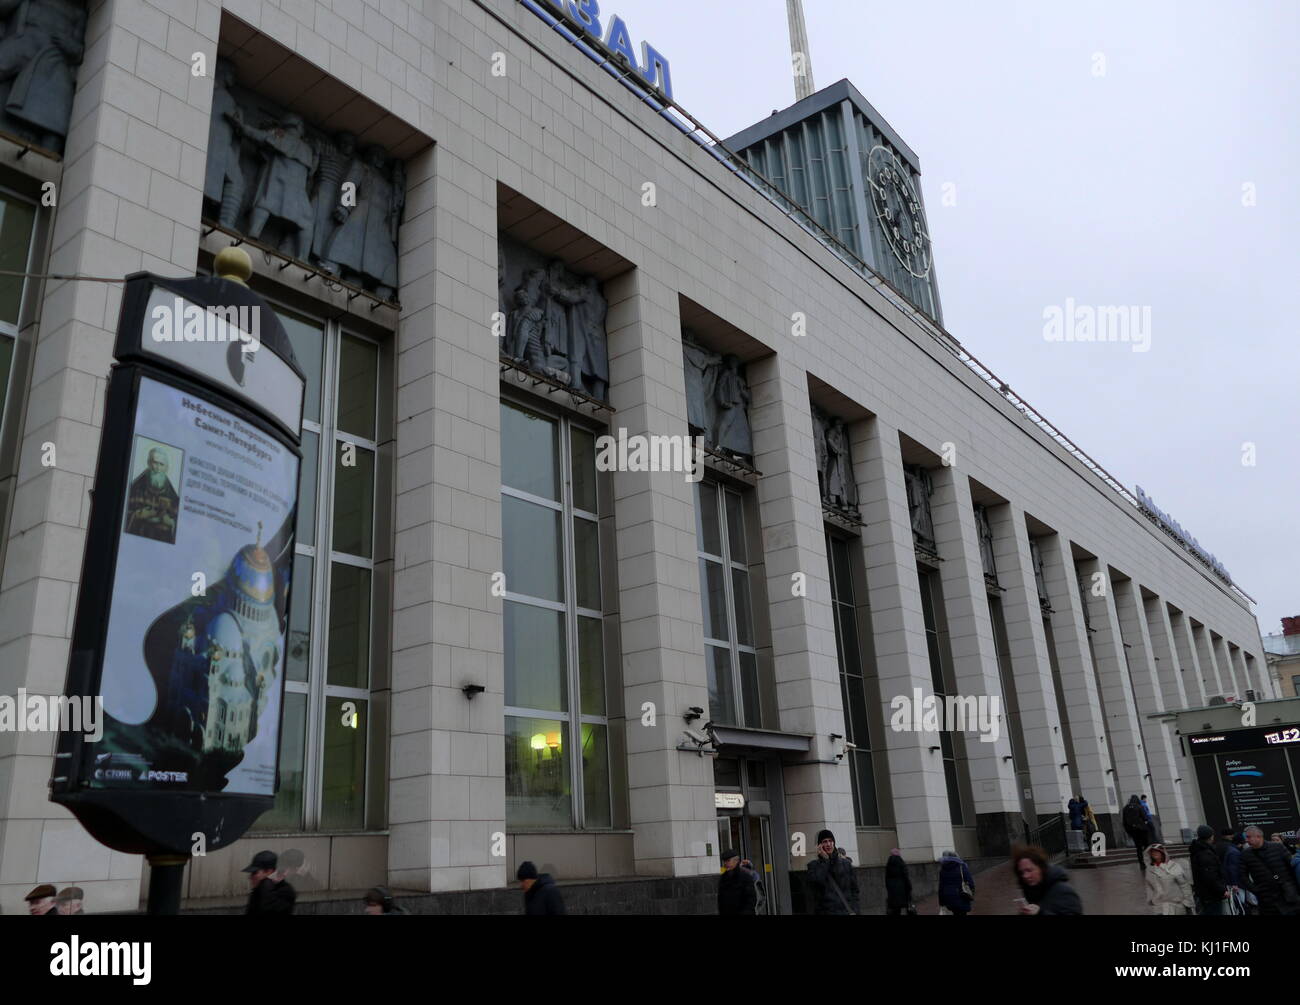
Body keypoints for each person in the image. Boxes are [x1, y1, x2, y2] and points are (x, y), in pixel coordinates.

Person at [1239, 825, 1300, 916]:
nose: (1246, 840)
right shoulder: (1245, 854)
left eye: (1248, 837)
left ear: (1258, 836)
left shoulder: (1278, 847)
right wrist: (1256, 890)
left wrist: (1292, 885)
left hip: (1287, 895)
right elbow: (1242, 875)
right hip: (1267, 899)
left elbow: (1291, 865)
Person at [1013, 845, 1083, 915]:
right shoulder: (1031, 890)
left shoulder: (1063, 891)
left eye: (1029, 870)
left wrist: (1040, 913)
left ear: (1041, 868)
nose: (1025, 876)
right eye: (1021, 872)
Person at [805, 829, 858, 915]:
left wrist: (855, 910)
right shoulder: (813, 866)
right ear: (819, 845)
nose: (828, 844)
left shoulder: (846, 864)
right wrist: (825, 860)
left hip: (846, 912)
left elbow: (855, 891)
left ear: (834, 843)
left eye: (830, 841)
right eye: (825, 842)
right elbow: (816, 883)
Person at [1187, 826, 1227, 915]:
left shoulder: (1197, 850)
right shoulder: (1205, 853)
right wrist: (1222, 890)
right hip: (1211, 895)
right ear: (1210, 836)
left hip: (1204, 894)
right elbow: (1211, 876)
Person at [1144, 844, 1194, 915]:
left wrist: (1188, 902)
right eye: (1152, 852)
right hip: (1159, 906)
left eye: (1157, 851)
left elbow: (1184, 885)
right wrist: (1150, 899)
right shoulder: (1149, 869)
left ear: (1162, 853)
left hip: (1176, 905)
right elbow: (1148, 886)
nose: (1154, 853)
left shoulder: (1173, 866)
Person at [242, 850, 296, 915]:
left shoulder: (286, 892)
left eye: (254, 873)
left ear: (269, 872)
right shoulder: (257, 891)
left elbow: (269, 908)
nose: (250, 877)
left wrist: (267, 882)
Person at [717, 848, 759, 915]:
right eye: (724, 861)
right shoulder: (723, 878)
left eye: (728, 861)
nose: (725, 863)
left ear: (736, 861)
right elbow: (721, 901)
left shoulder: (745, 877)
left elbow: (751, 900)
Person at [937, 849, 975, 916]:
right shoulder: (961, 867)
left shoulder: (943, 870)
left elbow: (941, 887)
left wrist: (941, 902)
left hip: (949, 898)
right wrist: (971, 892)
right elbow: (970, 882)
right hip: (962, 896)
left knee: (955, 912)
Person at [1122, 794, 1150, 871]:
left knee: (1138, 847)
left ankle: (1141, 863)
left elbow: (1124, 821)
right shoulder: (1139, 807)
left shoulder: (1125, 808)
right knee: (1147, 845)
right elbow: (1145, 817)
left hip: (1132, 830)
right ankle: (1150, 860)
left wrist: (1128, 831)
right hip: (1142, 830)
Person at [884, 848, 913, 915]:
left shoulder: (889, 864)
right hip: (902, 889)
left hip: (892, 891)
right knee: (906, 907)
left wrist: (889, 888)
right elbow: (905, 876)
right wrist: (909, 886)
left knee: (895, 909)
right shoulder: (901, 862)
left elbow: (886, 878)